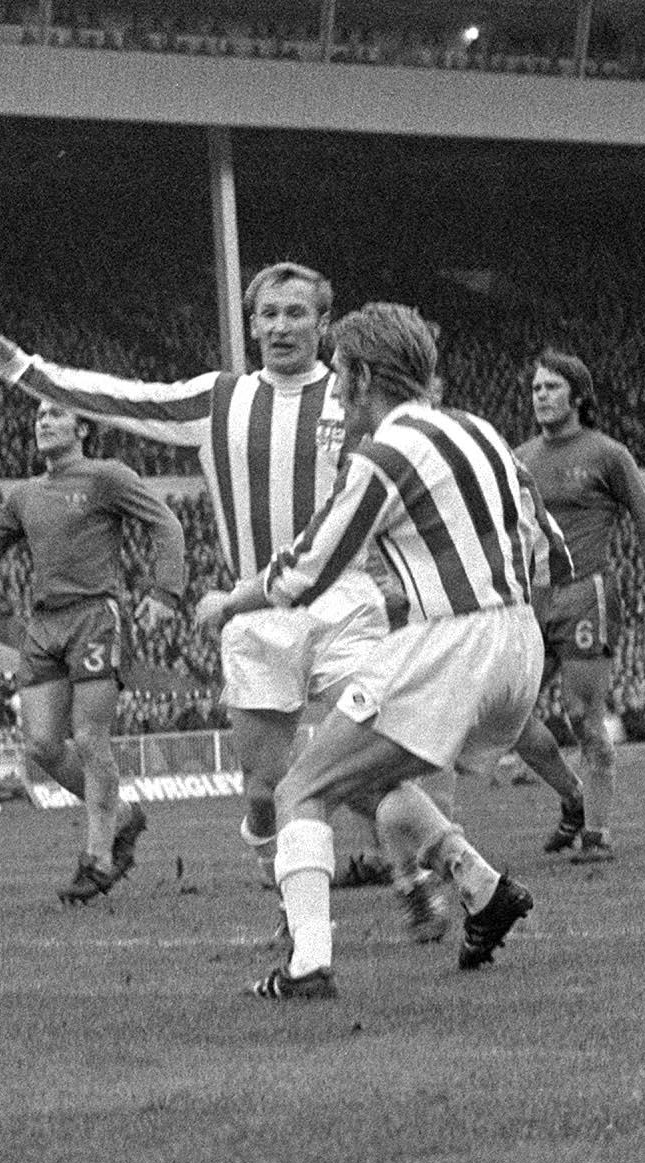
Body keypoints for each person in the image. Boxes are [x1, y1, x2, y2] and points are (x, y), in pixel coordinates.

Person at [0, 262, 399, 896]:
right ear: (251, 324)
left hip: (345, 602)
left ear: (324, 324)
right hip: (257, 609)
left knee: (379, 749)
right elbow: (122, 398)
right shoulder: (219, 399)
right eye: (268, 314)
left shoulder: (354, 401)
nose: (280, 326)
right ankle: (291, 873)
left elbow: (411, 470)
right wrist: (25, 370)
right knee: (267, 786)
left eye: (296, 313)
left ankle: (431, 877)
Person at [193, 302, 569, 999]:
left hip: (453, 642)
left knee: (302, 787)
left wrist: (230, 602)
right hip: (520, 645)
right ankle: (483, 891)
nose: (334, 392)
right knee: (365, 778)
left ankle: (308, 966)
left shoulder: (384, 454)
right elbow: (553, 550)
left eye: (339, 375)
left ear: (364, 375)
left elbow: (310, 568)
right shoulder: (484, 431)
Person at [0, 408, 185, 902]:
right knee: (41, 745)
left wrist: (166, 593)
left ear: (83, 430)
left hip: (94, 617)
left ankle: (98, 859)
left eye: (56, 413)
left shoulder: (107, 477)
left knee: (90, 738)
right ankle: (121, 817)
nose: (43, 421)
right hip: (42, 625)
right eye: (37, 414)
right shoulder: (24, 495)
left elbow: (166, 524)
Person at [513, 351, 645, 863]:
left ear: (578, 397)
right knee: (505, 711)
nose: (541, 395)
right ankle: (573, 798)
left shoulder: (607, 454)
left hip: (589, 593)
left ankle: (598, 833)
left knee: (582, 714)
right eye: (536, 388)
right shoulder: (519, 459)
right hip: (534, 598)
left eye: (552, 387)